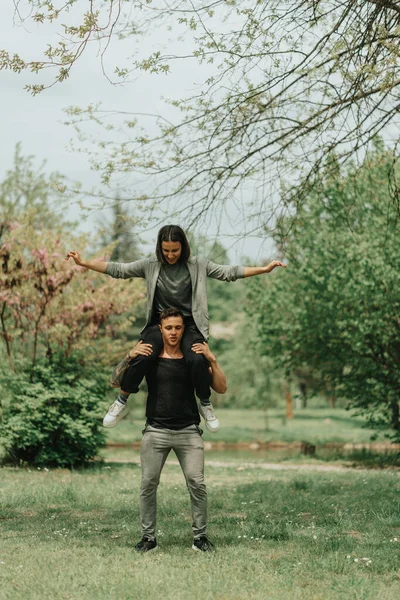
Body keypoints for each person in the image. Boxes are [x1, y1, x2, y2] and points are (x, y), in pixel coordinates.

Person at [65, 224, 285, 431]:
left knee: (198, 358)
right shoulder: (151, 265)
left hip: (189, 324)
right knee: (142, 354)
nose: (170, 255)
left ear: (183, 247)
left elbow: (229, 272)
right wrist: (84, 263)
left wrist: (264, 269)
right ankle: (121, 401)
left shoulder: (198, 264)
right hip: (159, 323)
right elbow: (118, 269)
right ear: (160, 249)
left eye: (175, 250)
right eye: (166, 251)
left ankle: (206, 404)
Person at [132, 307, 227, 552]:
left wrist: (212, 359)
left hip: (188, 430)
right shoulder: (151, 358)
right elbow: (118, 379)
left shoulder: (192, 359)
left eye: (178, 327)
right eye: (169, 328)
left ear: (183, 330)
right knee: (148, 484)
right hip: (155, 431)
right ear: (160, 329)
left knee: (197, 482)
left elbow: (221, 387)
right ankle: (148, 539)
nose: (173, 332)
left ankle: (200, 538)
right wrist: (129, 355)